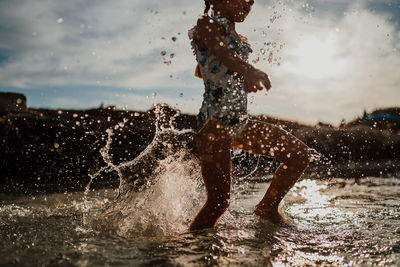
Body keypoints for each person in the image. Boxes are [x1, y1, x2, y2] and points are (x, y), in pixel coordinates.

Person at [188, 0, 311, 231]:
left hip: (240, 123)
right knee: (218, 203)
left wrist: (244, 79)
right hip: (213, 124)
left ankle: (267, 208)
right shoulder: (206, 24)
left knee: (299, 155)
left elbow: (226, 69)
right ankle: (188, 248)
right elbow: (223, 54)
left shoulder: (239, 39)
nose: (250, 1)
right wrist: (248, 70)